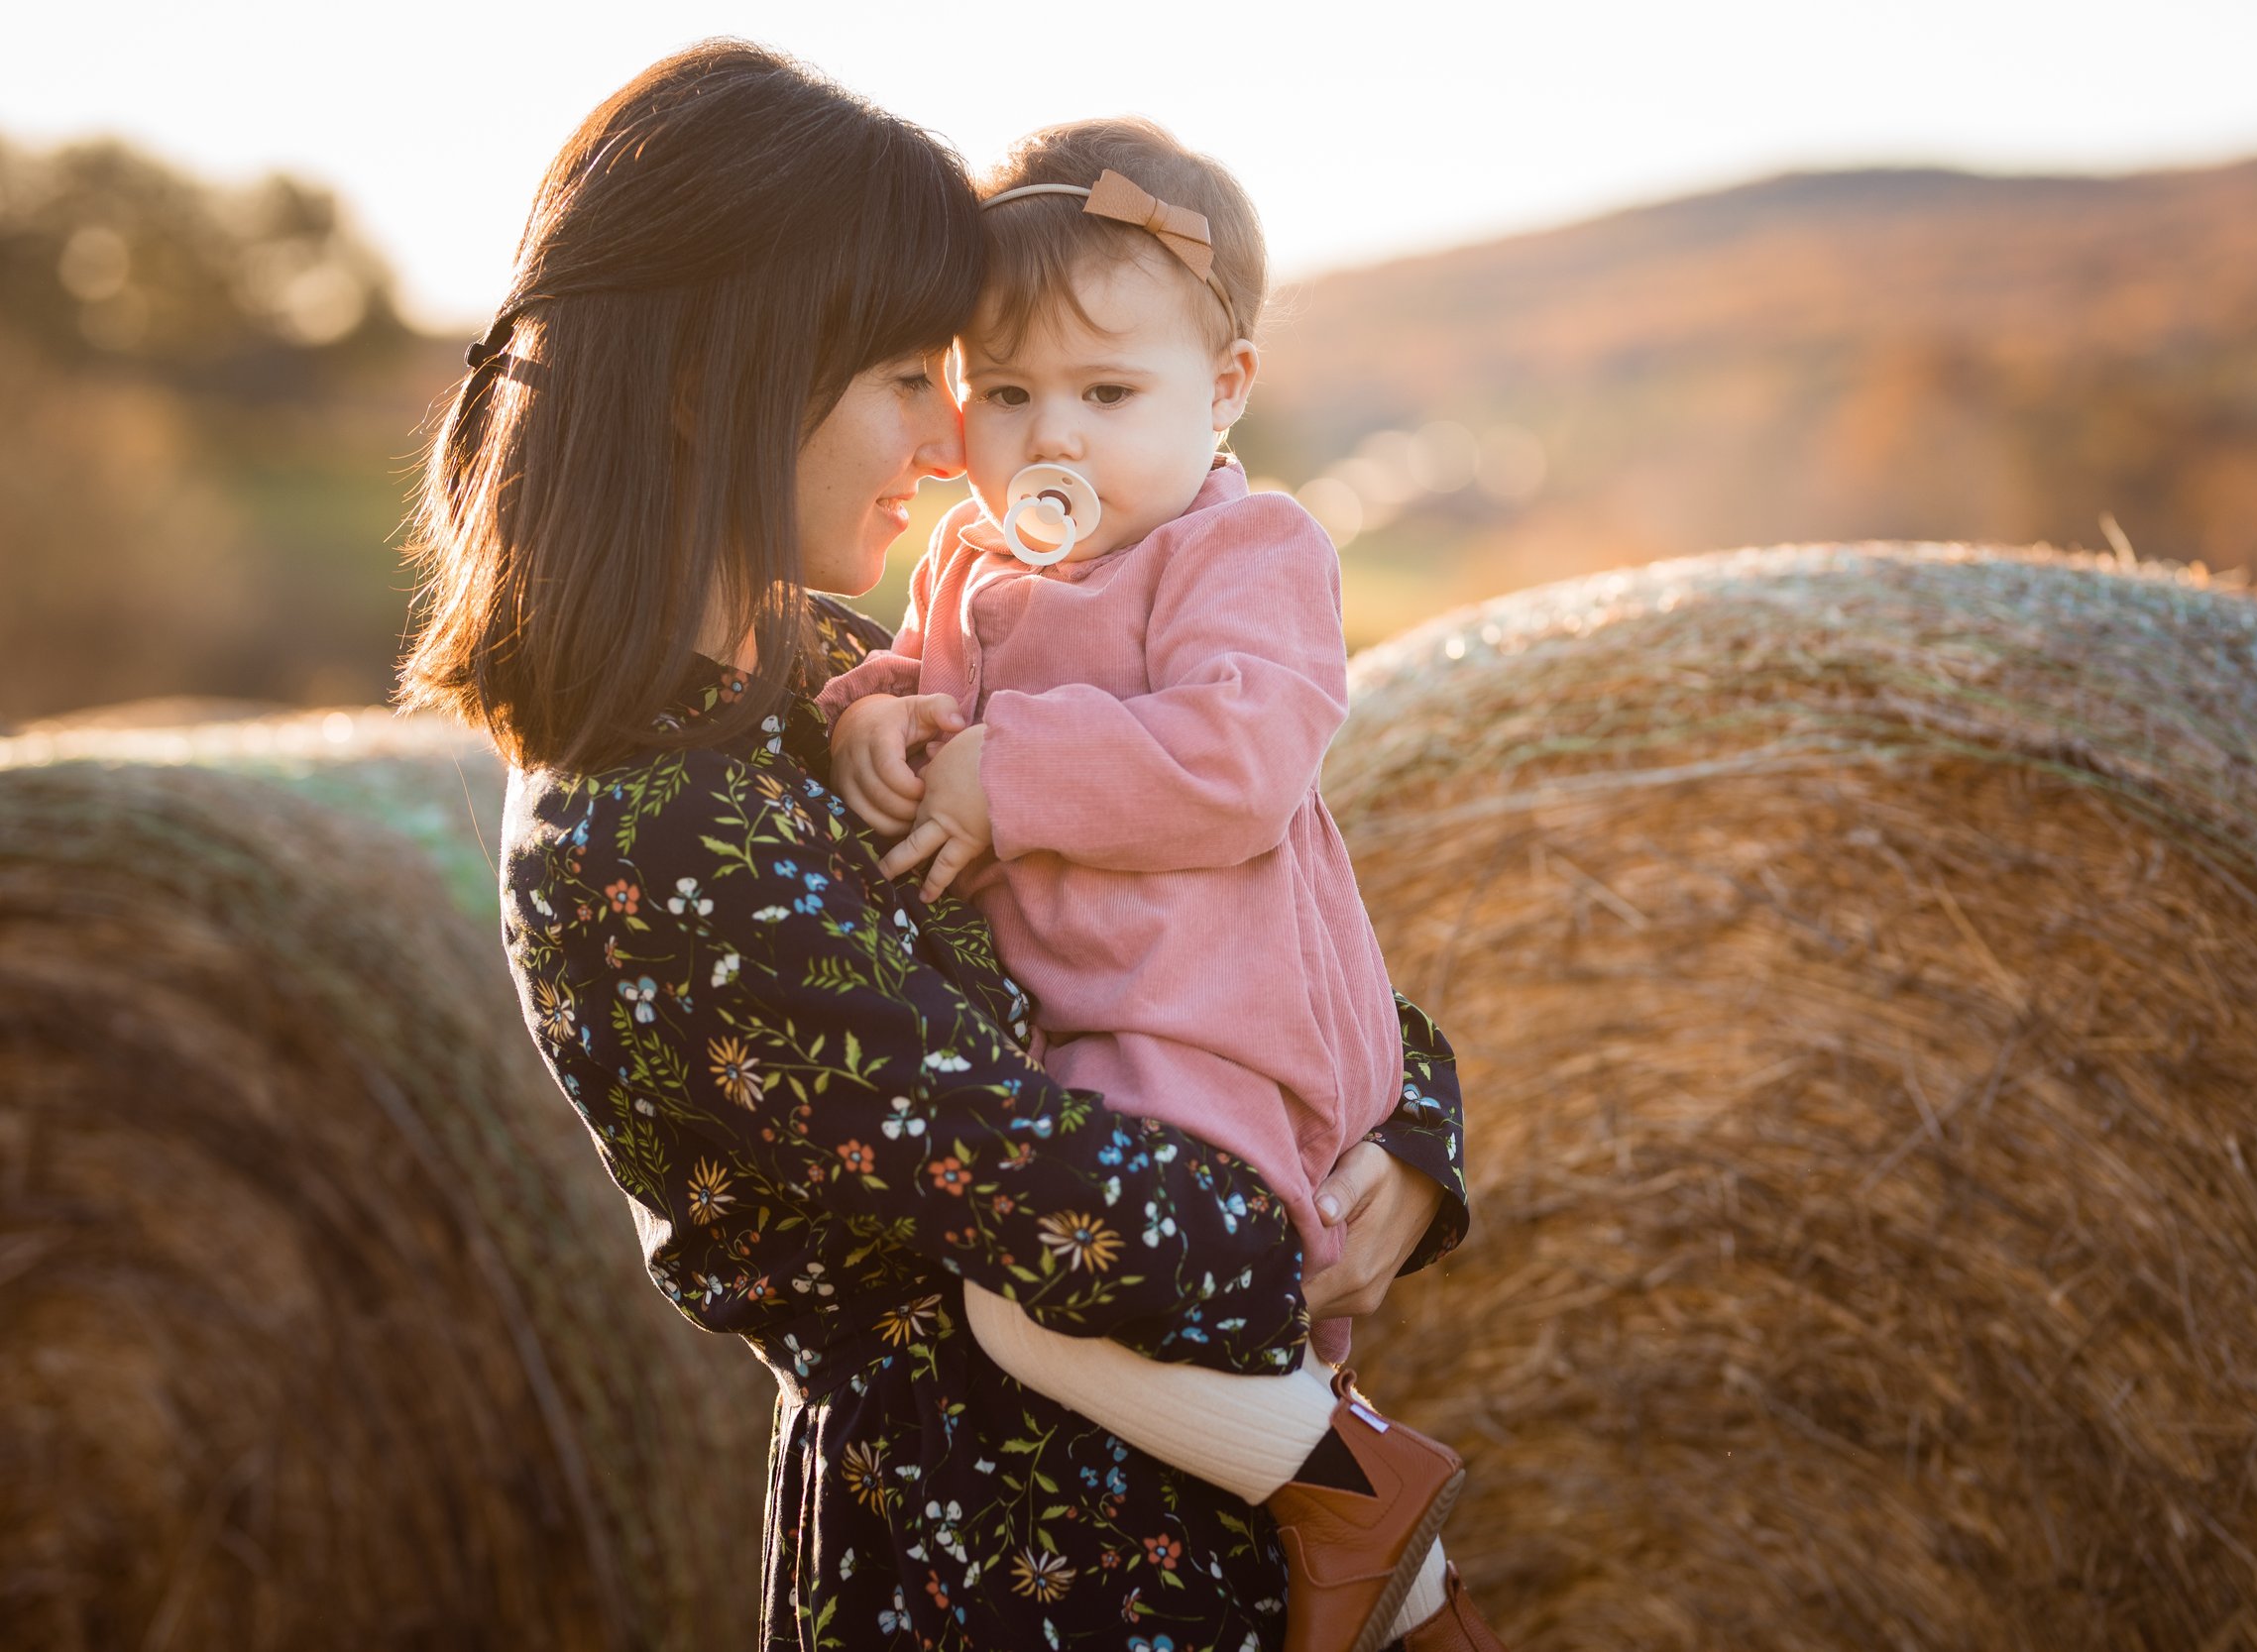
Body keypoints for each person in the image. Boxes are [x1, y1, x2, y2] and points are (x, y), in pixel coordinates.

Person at [398, 41, 1490, 1650]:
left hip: (1193, 1558)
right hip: (990, 1586)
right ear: (718, 379)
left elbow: (1226, 916)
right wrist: (1319, 1216)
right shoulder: (648, 839)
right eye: (922, 377)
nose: (957, 445)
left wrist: (1408, 1143)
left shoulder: (835, 687)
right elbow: (1110, 1223)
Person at [814, 117, 1501, 1652]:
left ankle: (1368, 1499)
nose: (1049, 441)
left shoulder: (1242, 548)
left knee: (1034, 1299)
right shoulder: (966, 568)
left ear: (1227, 390)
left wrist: (1013, 768)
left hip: (1207, 1029)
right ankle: (1395, 1579)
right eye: (1004, 394)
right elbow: (918, 683)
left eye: (1110, 395)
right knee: (1177, 1360)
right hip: (1084, 1038)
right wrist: (870, 715)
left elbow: (1244, 753)